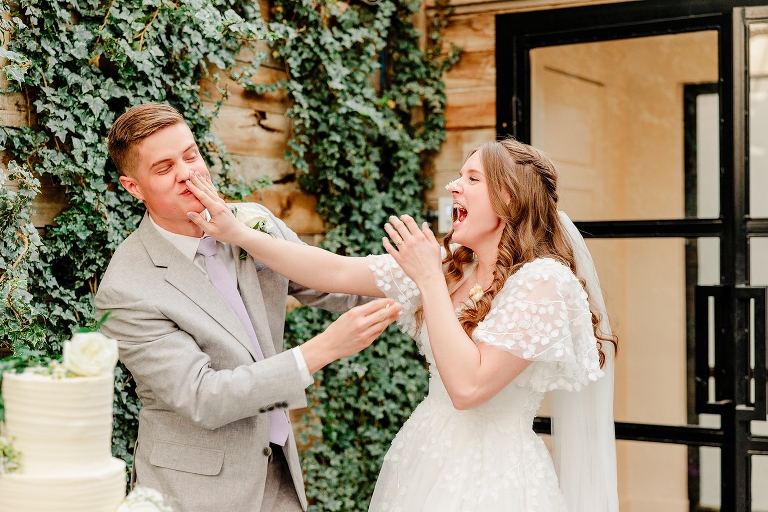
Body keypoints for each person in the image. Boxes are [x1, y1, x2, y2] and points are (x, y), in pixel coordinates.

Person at [185, 138, 620, 512]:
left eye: (471, 179)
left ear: (508, 198)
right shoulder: (453, 266)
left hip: (495, 476)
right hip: (423, 454)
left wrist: (428, 277)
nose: (453, 186)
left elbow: (468, 389)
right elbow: (332, 272)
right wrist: (238, 234)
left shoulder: (544, 281)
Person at [94, 102, 401, 512]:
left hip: (279, 475)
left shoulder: (250, 223)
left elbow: (334, 287)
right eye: (165, 168)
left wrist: (444, 273)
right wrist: (323, 349)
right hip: (193, 491)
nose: (188, 173)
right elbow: (204, 397)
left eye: (190, 156)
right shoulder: (126, 288)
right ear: (133, 188)